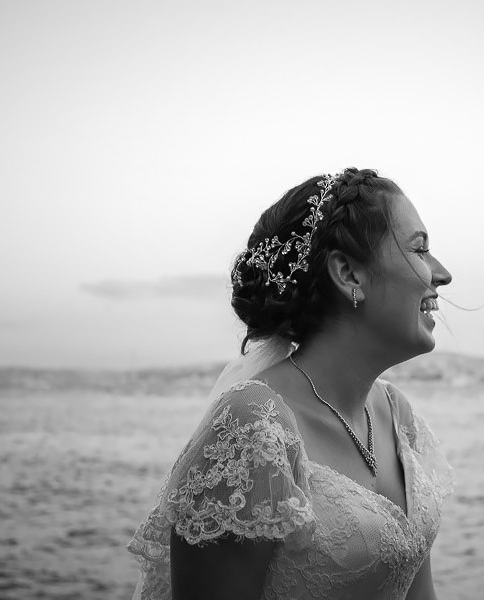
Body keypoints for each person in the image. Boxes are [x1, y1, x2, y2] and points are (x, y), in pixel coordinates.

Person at [128, 167, 453, 600]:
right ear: (349, 274)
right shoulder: (253, 429)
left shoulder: (398, 416)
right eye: (420, 249)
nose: (441, 274)